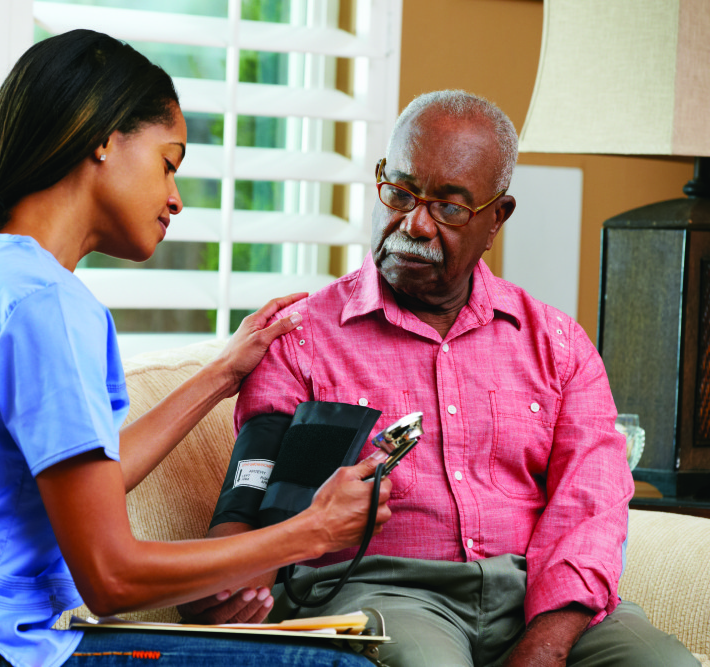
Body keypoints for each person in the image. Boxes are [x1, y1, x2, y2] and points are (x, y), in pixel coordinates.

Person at [0, 30, 394, 667]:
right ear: (104, 138)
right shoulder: (43, 303)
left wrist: (221, 374)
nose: (176, 198)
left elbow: (88, 480)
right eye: (168, 162)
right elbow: (110, 577)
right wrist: (307, 532)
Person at [181, 90, 699, 666]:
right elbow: (250, 500)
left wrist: (546, 646)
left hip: (537, 598)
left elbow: (592, 506)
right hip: (383, 594)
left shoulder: (558, 345)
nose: (415, 224)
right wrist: (222, 580)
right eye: (400, 192)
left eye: (450, 207)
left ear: (496, 218)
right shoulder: (300, 339)